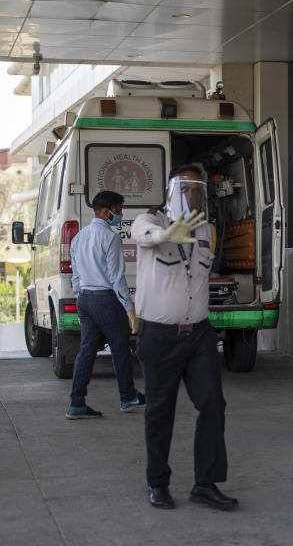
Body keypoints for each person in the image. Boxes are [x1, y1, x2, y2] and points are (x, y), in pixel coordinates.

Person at [132, 165, 237, 511]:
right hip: (159, 335)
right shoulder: (150, 221)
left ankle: (205, 484)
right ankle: (157, 483)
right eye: (186, 189)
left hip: (199, 334)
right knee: (160, 411)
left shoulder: (205, 229)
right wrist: (167, 235)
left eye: (197, 190)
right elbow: (143, 235)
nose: (192, 196)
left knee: (212, 404)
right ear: (170, 192)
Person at [65, 190, 144, 420]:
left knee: (87, 350)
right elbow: (116, 278)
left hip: (85, 299)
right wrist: (130, 310)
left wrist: (81, 297)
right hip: (105, 300)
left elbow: (76, 276)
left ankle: (76, 403)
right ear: (105, 211)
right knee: (120, 348)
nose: (120, 214)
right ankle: (128, 397)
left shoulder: (79, 237)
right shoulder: (110, 238)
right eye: (118, 210)